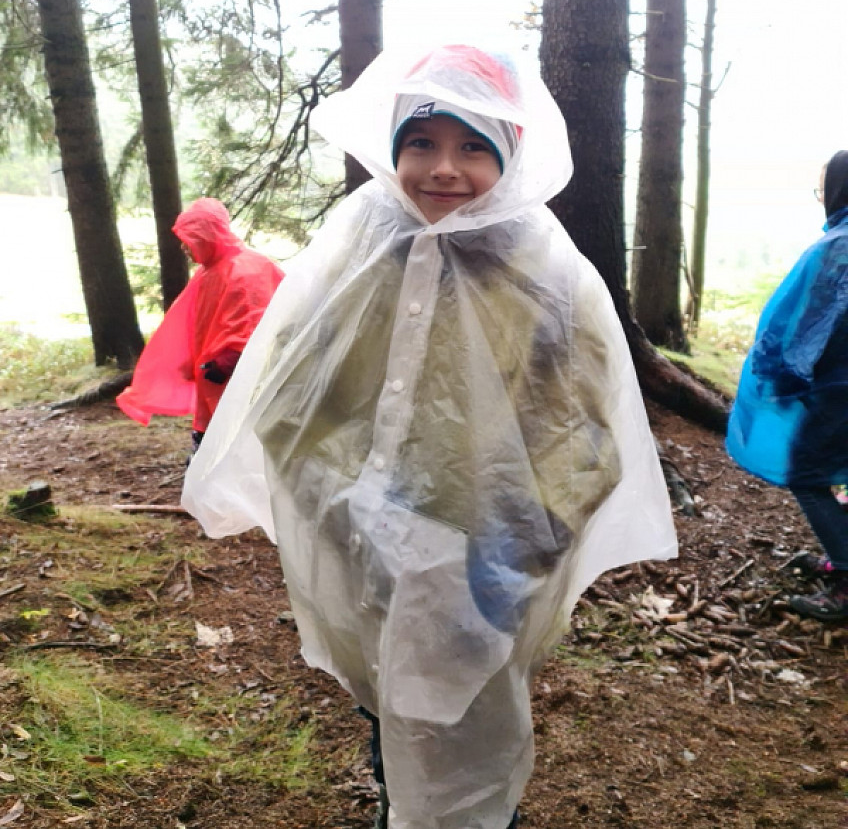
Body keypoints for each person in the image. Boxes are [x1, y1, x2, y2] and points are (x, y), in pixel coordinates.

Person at [182, 44, 677, 829]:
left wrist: (512, 548)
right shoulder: (356, 249)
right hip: (361, 543)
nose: (444, 168)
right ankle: (398, 804)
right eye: (422, 143)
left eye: (473, 146)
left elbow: (585, 430)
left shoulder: (549, 273)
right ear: (394, 148)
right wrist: (345, 506)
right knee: (387, 699)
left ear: (509, 155)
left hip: (485, 559)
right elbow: (289, 394)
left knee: (469, 712)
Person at [726, 150, 848, 623]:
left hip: (834, 391)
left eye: (823, 188)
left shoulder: (837, 248)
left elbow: (812, 326)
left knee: (808, 476)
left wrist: (781, 376)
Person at [117, 197, 284, 450]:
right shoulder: (212, 269)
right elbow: (200, 321)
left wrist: (226, 362)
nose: (183, 247)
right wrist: (189, 361)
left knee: (233, 447)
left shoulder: (244, 270)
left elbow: (254, 323)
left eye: (190, 238)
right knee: (214, 444)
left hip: (236, 381)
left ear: (208, 235)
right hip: (216, 379)